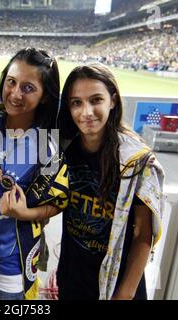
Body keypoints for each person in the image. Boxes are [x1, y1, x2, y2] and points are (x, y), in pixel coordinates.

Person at [0, 48, 69, 300]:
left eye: (28, 87)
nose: (14, 93)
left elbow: (58, 203)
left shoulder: (49, 146)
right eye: (11, 82)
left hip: (13, 263)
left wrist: (25, 213)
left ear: (45, 96)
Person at [56, 63, 165, 300]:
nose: (86, 112)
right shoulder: (65, 150)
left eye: (96, 100)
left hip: (117, 287)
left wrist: (124, 294)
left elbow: (142, 235)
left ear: (112, 100)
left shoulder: (135, 160)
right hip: (72, 281)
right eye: (77, 102)